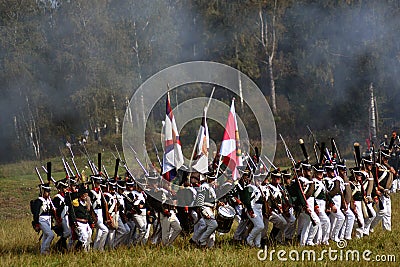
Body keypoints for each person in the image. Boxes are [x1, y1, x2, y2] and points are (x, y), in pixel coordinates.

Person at [31, 183, 55, 254]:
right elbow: (36, 213)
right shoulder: (38, 201)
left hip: (48, 219)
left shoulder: (48, 200)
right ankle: (45, 250)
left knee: (45, 236)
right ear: (43, 192)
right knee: (51, 235)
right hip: (42, 219)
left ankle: (42, 252)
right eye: (47, 191)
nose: (49, 193)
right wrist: (36, 223)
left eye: (49, 191)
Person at [70, 185, 94, 252]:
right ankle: (80, 250)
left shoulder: (85, 203)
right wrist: (74, 222)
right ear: (81, 195)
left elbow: (87, 213)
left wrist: (91, 222)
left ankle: (87, 250)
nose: (86, 196)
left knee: (89, 236)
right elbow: (72, 213)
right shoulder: (75, 203)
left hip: (86, 222)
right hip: (79, 222)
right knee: (84, 236)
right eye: (85, 194)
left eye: (86, 194)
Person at [53, 179, 71, 251]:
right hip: (62, 218)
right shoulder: (57, 197)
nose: (66, 189)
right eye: (64, 187)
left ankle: (61, 246)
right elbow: (55, 210)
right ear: (60, 188)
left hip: (68, 217)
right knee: (67, 233)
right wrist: (57, 220)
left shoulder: (66, 196)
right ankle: (60, 245)